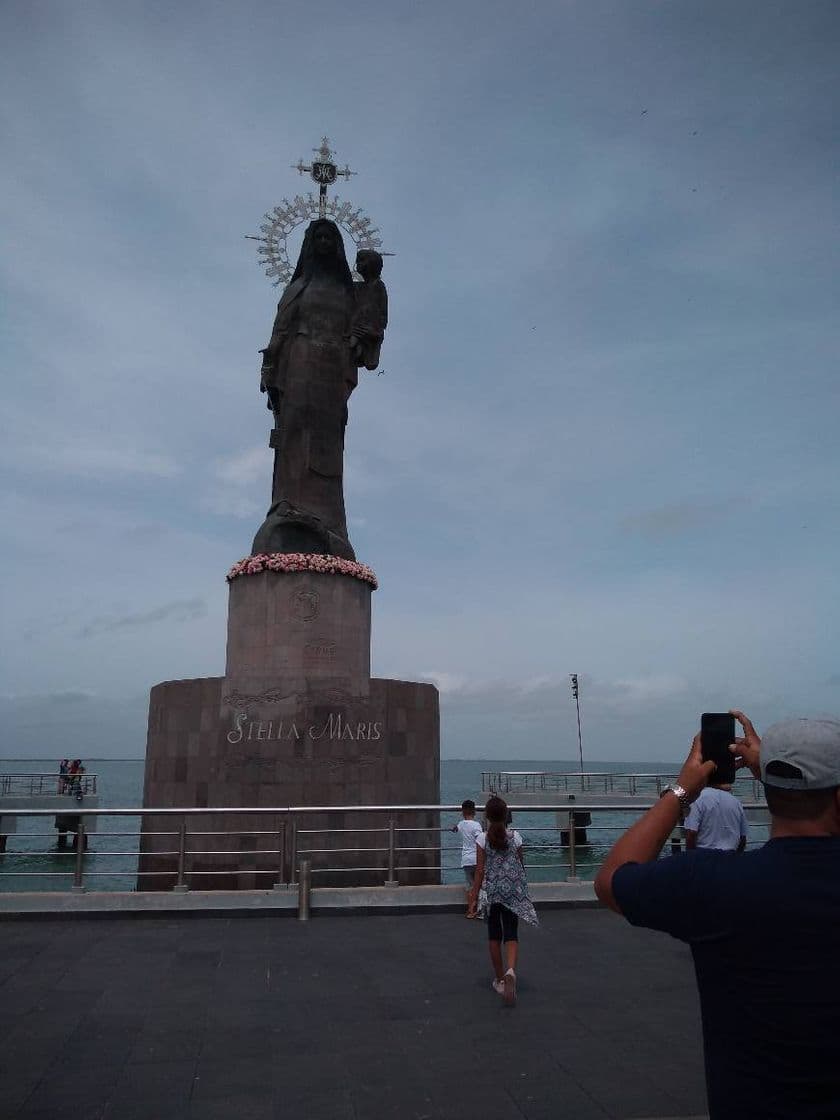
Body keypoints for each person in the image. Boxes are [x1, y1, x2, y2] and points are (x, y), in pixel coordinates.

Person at [594, 711, 840, 1120]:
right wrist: (770, 770)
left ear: (768, 790)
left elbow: (611, 879)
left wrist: (680, 791)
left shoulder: (711, 884)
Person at [254, 219, 366, 561]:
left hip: (330, 372)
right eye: (316, 236)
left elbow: (365, 334)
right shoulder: (298, 288)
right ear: (307, 244)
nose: (323, 242)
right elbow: (280, 332)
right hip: (299, 364)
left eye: (329, 237)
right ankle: (287, 505)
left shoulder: (350, 294)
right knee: (293, 434)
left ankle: (329, 521)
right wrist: (270, 369)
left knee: (327, 440)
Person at [469, 795, 538, 1006]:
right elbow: (521, 865)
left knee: (494, 935)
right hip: (512, 891)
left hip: (494, 892)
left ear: (487, 816)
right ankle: (511, 971)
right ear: (507, 815)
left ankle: (500, 979)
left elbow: (480, 871)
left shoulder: (482, 839)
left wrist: (473, 896)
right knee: (511, 934)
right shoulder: (516, 837)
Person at [683, 774, 747, 852]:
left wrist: (690, 857)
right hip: (730, 855)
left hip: (704, 853)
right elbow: (743, 837)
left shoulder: (696, 800)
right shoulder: (736, 802)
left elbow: (691, 832)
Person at [350, 248, 388, 371]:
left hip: (368, 329)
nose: (358, 265)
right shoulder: (357, 287)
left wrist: (373, 330)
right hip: (357, 326)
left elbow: (382, 315)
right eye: (358, 261)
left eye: (362, 261)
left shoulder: (378, 286)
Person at [450, 799, 482, 917]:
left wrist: (454, 828)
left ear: (462, 812)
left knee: (470, 886)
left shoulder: (461, 824)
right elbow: (479, 840)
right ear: (474, 811)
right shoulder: (477, 825)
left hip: (466, 860)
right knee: (479, 884)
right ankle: (478, 908)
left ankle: (470, 910)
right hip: (476, 858)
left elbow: (455, 828)